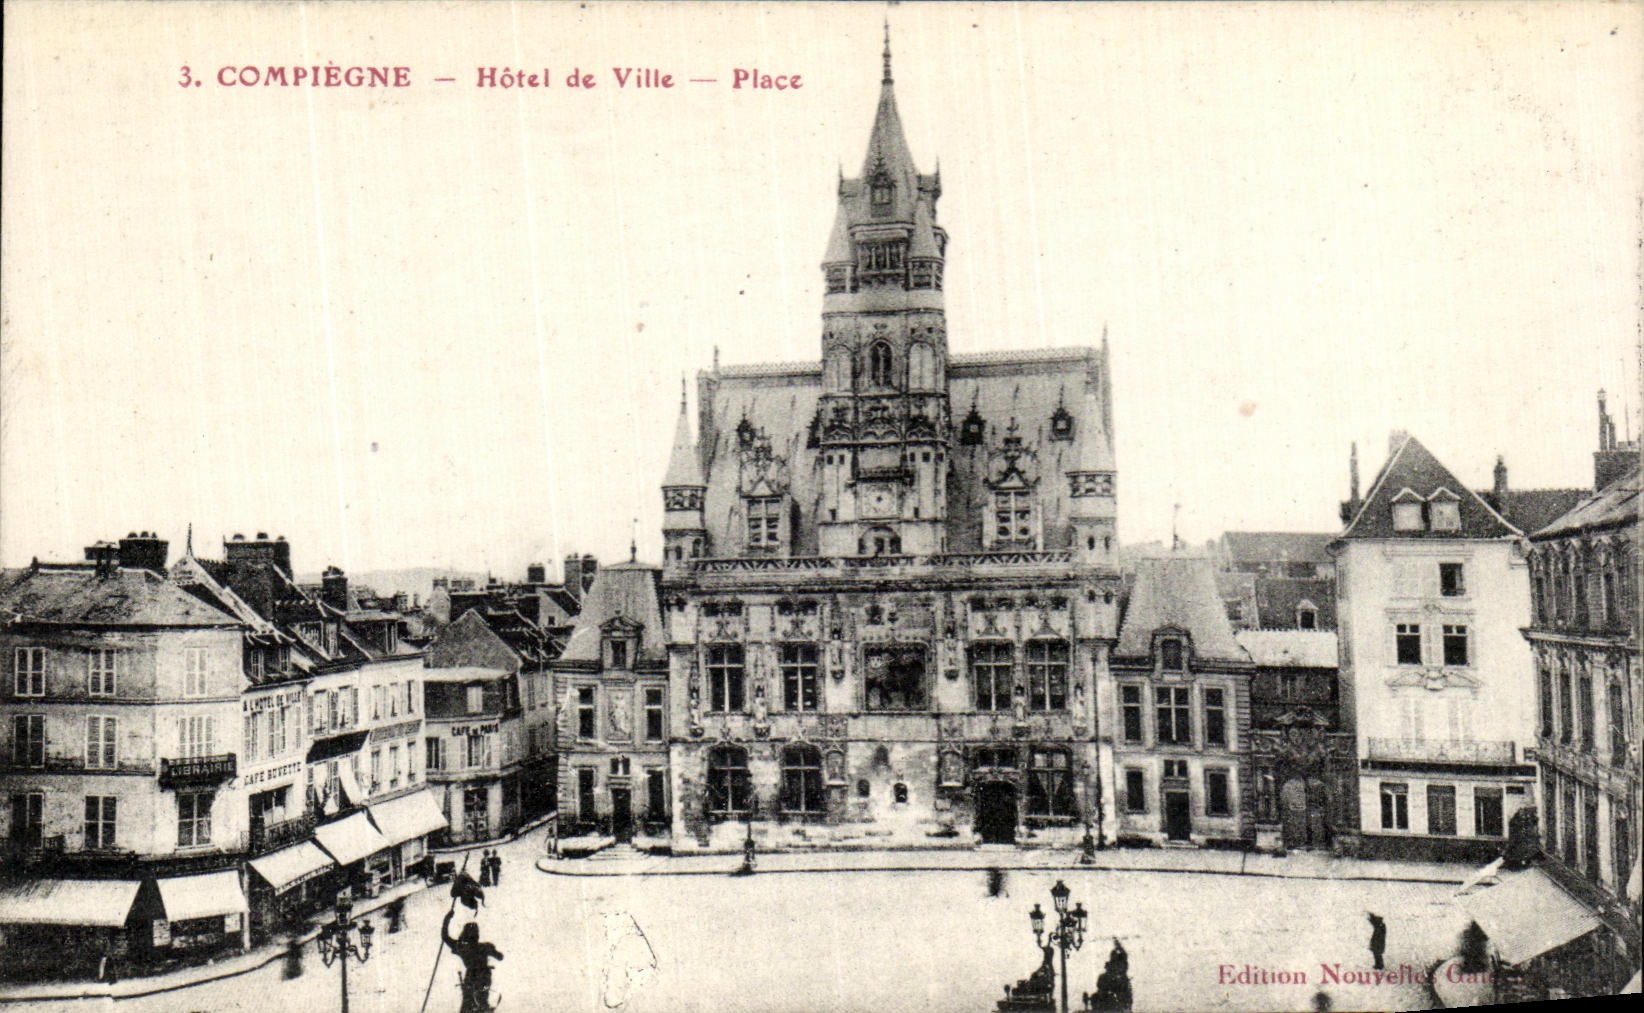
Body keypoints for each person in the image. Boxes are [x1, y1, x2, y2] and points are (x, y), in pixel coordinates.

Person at [443, 911, 504, 1013]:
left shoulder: (462, 947)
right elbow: (500, 957)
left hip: (471, 978)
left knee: (469, 1004)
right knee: (479, 1001)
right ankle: (483, 1007)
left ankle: (481, 1007)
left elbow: (445, 937)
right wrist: (493, 951)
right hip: (483, 977)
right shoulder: (484, 947)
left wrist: (447, 918)